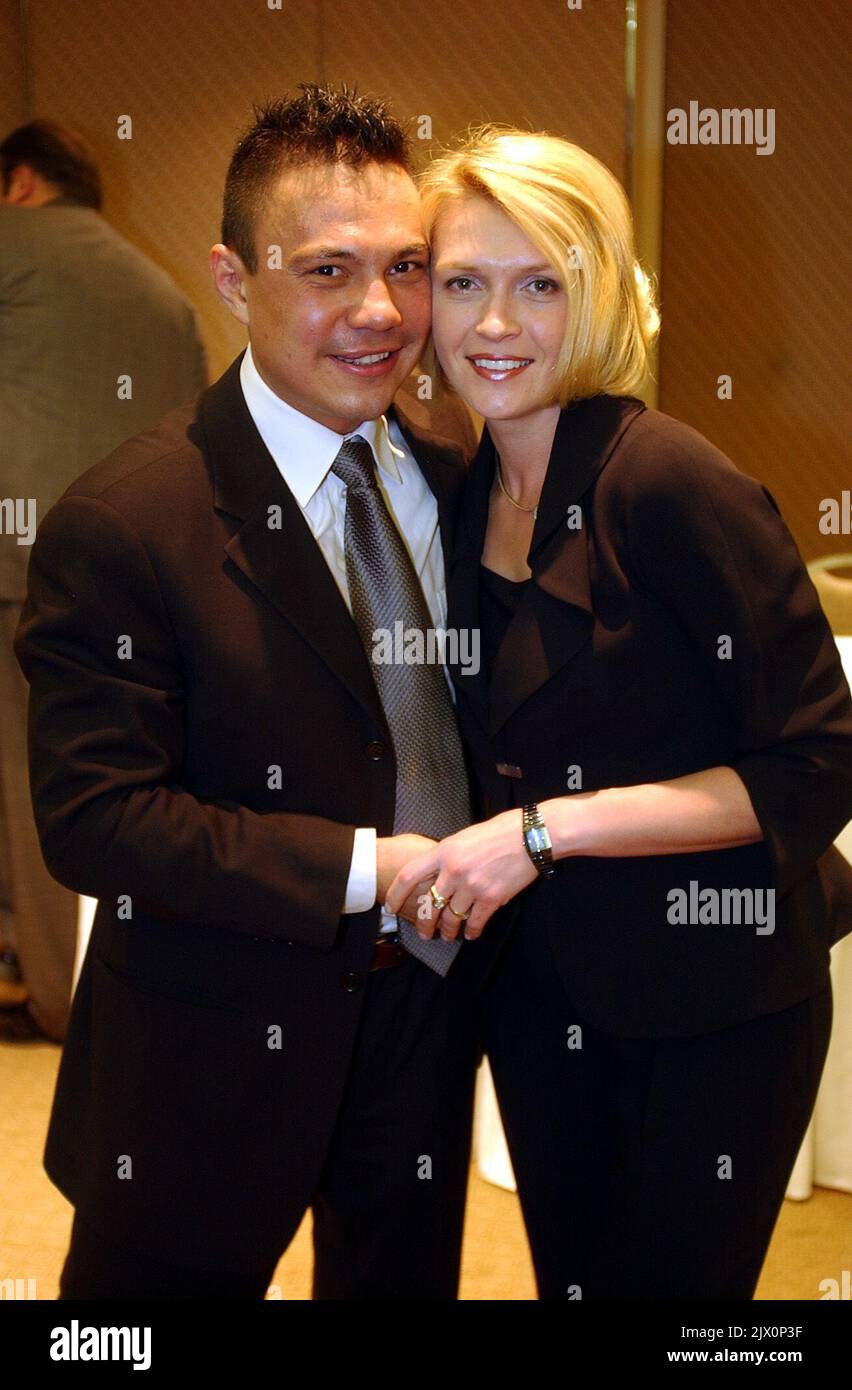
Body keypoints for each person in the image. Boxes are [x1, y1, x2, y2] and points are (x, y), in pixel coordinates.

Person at [14, 87, 480, 1299]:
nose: (380, 314)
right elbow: (98, 819)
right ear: (233, 279)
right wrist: (382, 866)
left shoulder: (459, 478)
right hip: (201, 1051)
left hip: (421, 1024)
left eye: (407, 268)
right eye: (327, 269)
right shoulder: (125, 521)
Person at [386, 127, 852, 1299]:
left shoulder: (670, 482)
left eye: (540, 283)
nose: (497, 325)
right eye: (464, 283)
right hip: (545, 1000)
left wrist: (544, 831)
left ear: (597, 294)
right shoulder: (463, 491)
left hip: (713, 1006)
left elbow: (816, 764)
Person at [0, 119, 208, 1041]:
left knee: (29, 774)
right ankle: (84, 978)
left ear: (17, 183)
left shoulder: (11, 243)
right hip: (149, 566)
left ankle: (48, 990)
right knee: (123, 779)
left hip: (17, 554)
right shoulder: (161, 288)